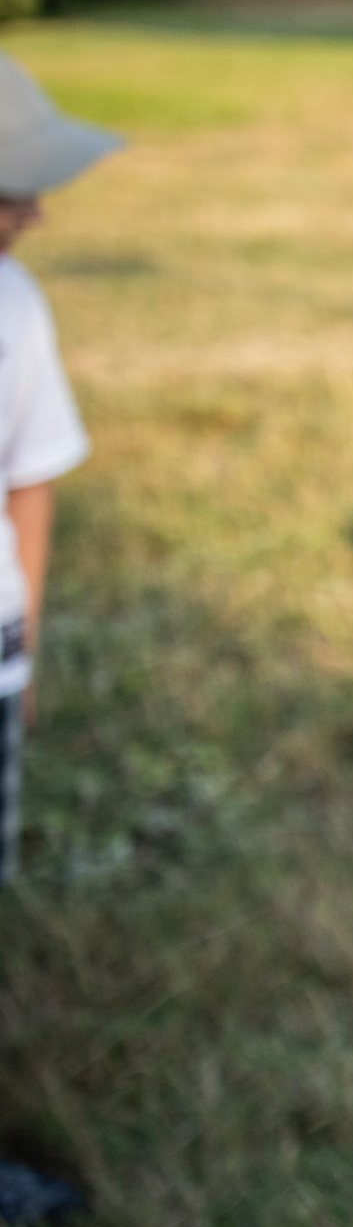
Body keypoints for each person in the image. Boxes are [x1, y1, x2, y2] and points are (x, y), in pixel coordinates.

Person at [0, 52, 114, 889]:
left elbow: (28, 480)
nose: (36, 212)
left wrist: (26, 645)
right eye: (12, 193)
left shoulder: (18, 309)